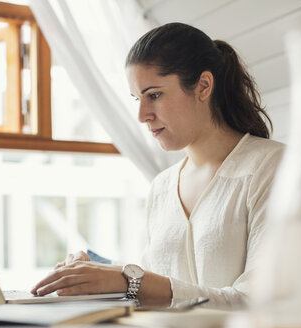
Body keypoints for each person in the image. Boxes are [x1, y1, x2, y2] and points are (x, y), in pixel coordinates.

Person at [30, 22, 284, 309]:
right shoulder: (162, 187)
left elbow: (260, 302)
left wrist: (129, 279)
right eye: (137, 99)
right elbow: (159, 290)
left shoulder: (272, 168)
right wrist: (95, 276)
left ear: (203, 86)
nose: (142, 115)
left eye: (154, 95)